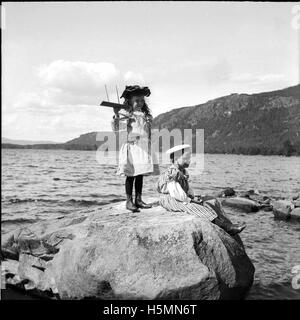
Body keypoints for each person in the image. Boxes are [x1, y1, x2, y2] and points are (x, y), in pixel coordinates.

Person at [156, 144, 246, 236]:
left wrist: (192, 196)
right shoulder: (172, 172)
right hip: (171, 199)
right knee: (194, 207)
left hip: (179, 197)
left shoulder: (183, 172)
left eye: (189, 158)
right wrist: (190, 200)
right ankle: (225, 227)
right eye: (186, 158)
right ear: (176, 159)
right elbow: (176, 193)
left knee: (208, 202)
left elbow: (186, 188)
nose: (189, 160)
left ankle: (227, 224)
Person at [112, 85, 160, 212]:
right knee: (131, 175)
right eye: (137, 100)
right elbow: (119, 131)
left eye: (142, 100)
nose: (140, 103)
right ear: (129, 101)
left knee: (140, 175)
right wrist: (117, 115)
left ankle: (138, 199)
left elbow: (147, 132)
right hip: (131, 147)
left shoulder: (144, 115)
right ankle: (129, 201)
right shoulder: (126, 114)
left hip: (142, 147)